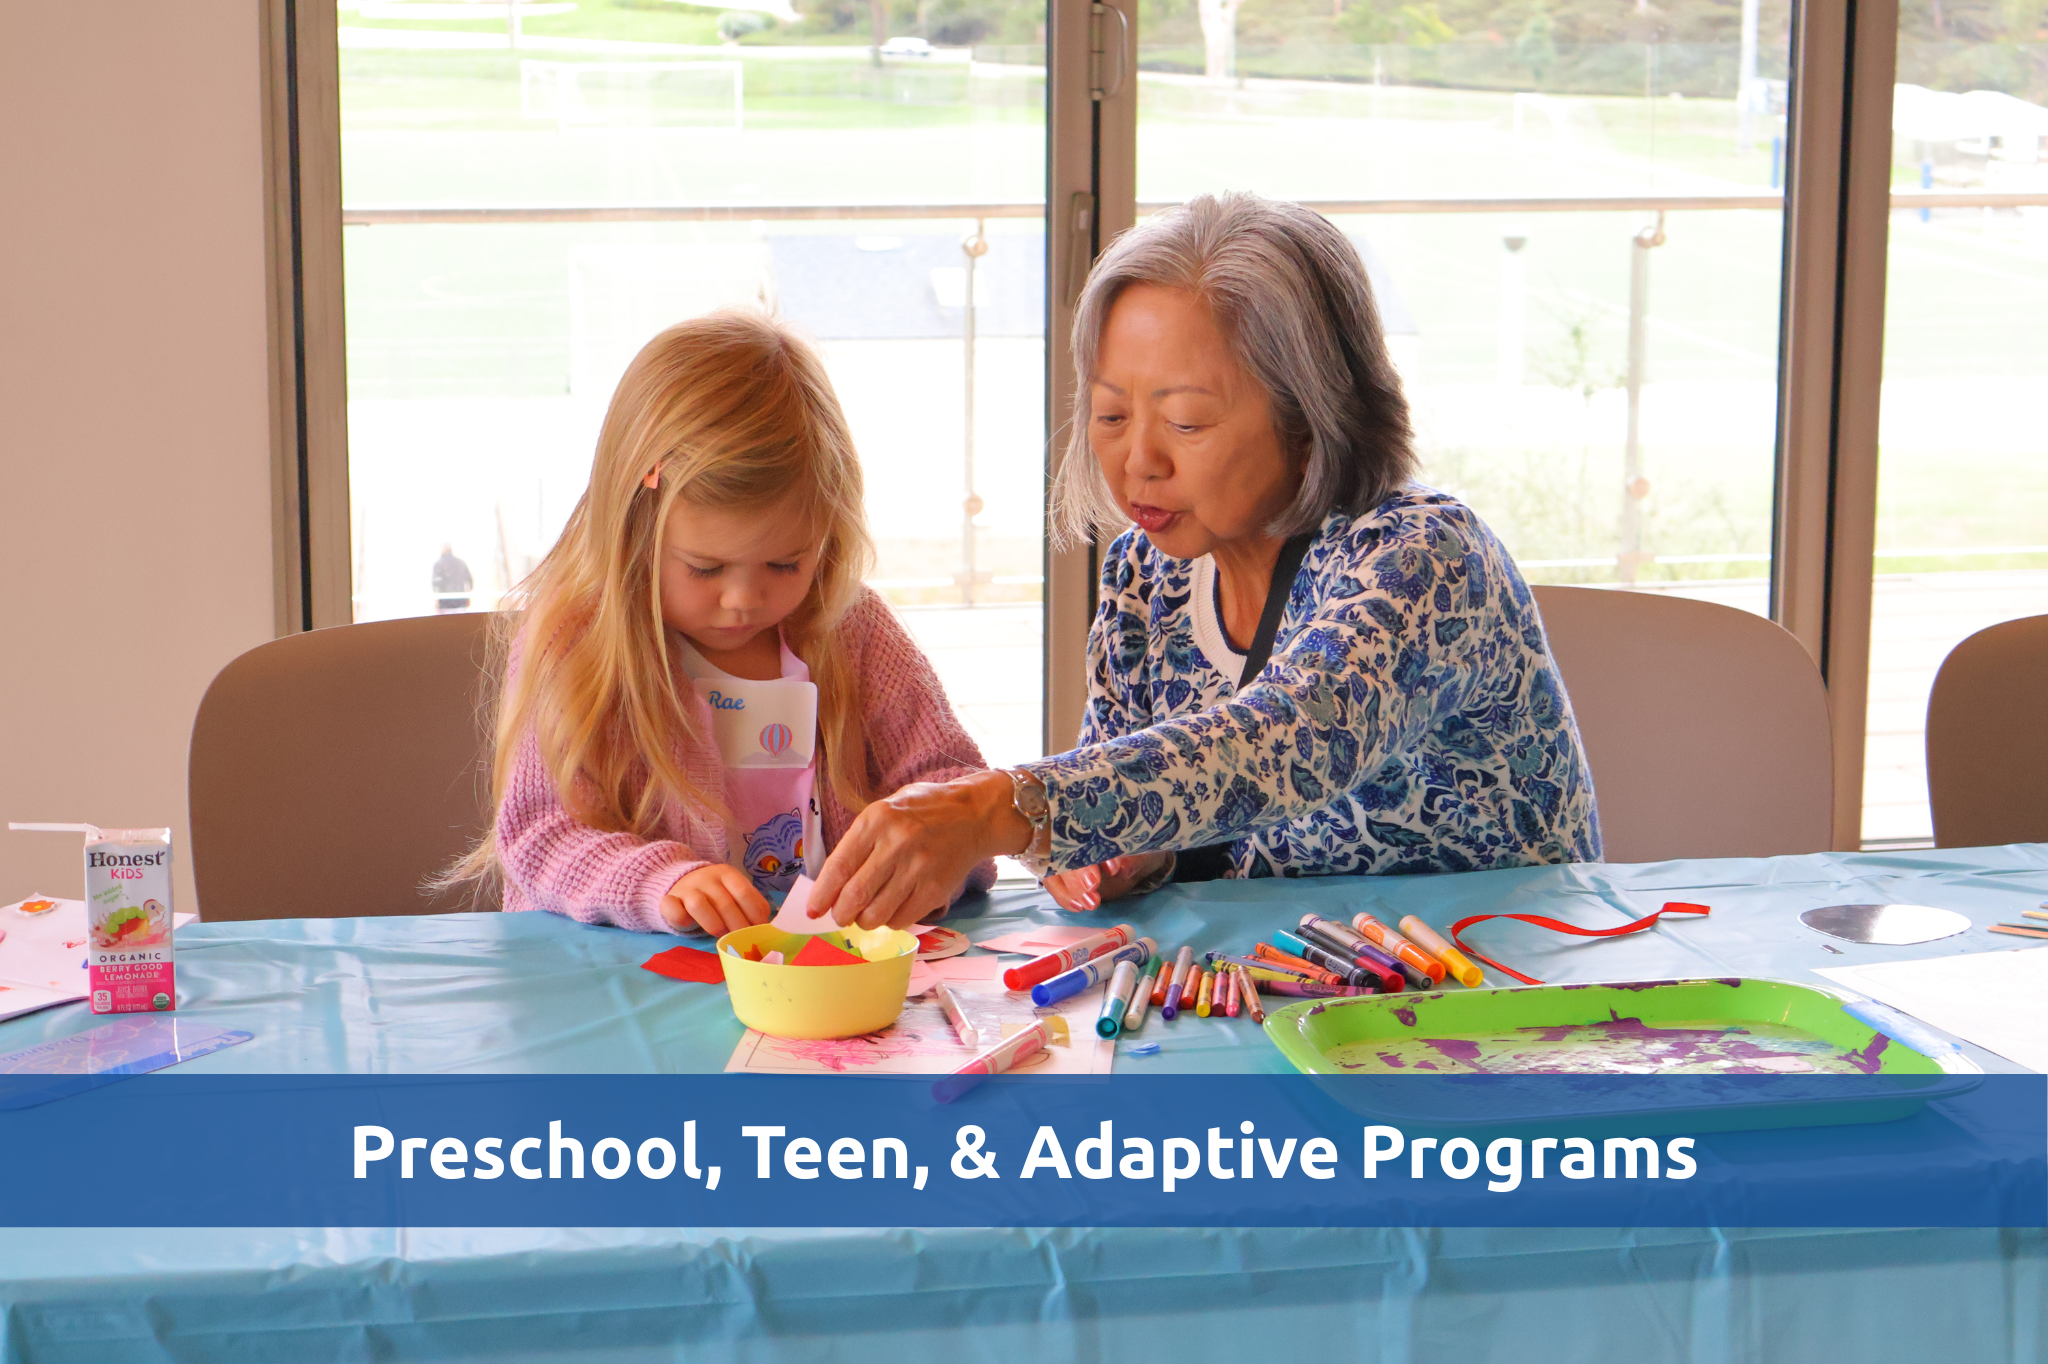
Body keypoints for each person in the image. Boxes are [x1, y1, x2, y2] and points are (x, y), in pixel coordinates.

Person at [807, 191, 1600, 931]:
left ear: (1308, 418)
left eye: (1186, 422)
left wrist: (1002, 809)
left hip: (1494, 995)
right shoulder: (1144, 576)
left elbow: (1295, 737)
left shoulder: (1426, 558)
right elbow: (1126, 782)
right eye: (1111, 412)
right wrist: (1118, 855)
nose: (1137, 460)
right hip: (1283, 994)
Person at [449, 310, 995, 935]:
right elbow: (543, 835)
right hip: (633, 986)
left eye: (785, 563)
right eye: (706, 568)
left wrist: (933, 857)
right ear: (634, 527)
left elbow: (954, 789)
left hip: (824, 984)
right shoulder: (577, 644)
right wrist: (662, 883)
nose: (743, 600)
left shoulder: (852, 629)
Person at [432, 544, 474, 613]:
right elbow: (469, 581)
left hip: (444, 603)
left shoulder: (438, 565)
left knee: (446, 623)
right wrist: (468, 597)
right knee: (460, 622)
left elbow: (436, 584)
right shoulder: (461, 563)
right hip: (461, 602)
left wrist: (436, 601)